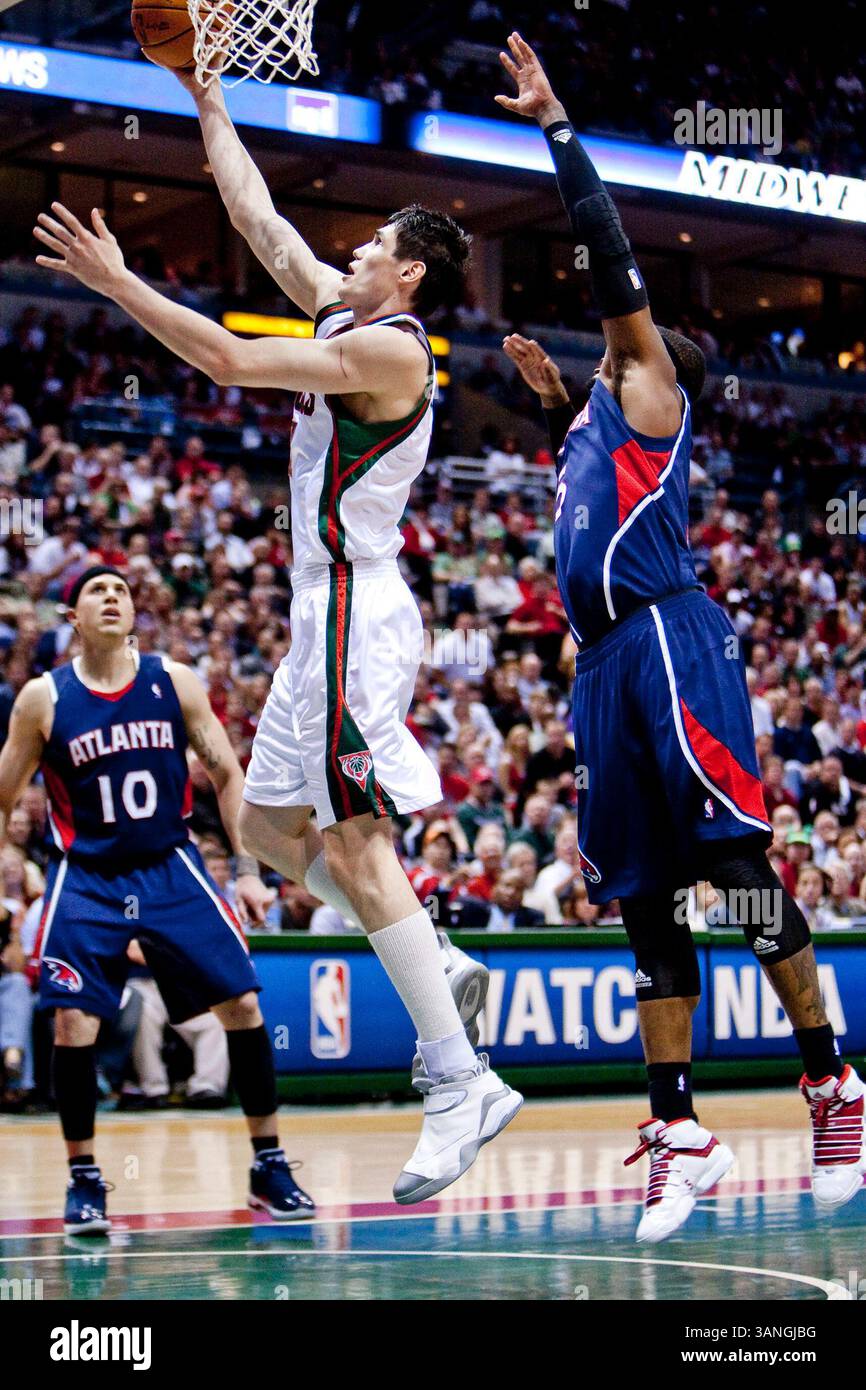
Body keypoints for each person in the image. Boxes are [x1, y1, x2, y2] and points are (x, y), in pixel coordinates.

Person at [32, 70, 522, 1206]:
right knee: (255, 824)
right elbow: (258, 217)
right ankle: (434, 961)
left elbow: (229, 361)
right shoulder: (352, 310)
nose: (347, 252)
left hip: (357, 605)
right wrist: (205, 100)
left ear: (408, 273)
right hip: (319, 611)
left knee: (353, 846)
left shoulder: (397, 353)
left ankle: (459, 1079)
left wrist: (118, 283)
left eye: (372, 246)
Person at [496, 32, 865, 1241]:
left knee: (738, 882)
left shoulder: (647, 385)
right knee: (645, 906)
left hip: (668, 644)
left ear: (655, 363)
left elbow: (605, 247)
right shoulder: (591, 423)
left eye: (615, 337)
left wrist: (556, 125)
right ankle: (679, 1124)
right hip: (602, 664)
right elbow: (581, 472)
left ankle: (829, 1079)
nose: (603, 331)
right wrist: (544, 400)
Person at [0, 568, 314, 1233]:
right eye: (97, 591)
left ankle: (268, 1161)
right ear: (72, 616)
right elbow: (4, 797)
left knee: (243, 1004)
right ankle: (85, 1178)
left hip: (171, 865)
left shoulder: (173, 681)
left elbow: (229, 772)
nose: (113, 597)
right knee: (71, 1023)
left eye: (122, 590)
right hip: (85, 875)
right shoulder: (42, 699)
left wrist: (251, 870)